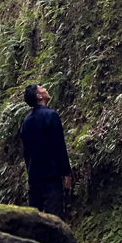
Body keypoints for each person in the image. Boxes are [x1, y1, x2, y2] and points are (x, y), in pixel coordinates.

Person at [20, 83, 72, 220]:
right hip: (51, 175)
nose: (45, 89)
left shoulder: (26, 121)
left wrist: (30, 171)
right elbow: (59, 146)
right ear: (39, 96)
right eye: (42, 88)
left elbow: (26, 151)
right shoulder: (51, 115)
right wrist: (66, 172)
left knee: (35, 218)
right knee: (54, 217)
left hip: (34, 176)